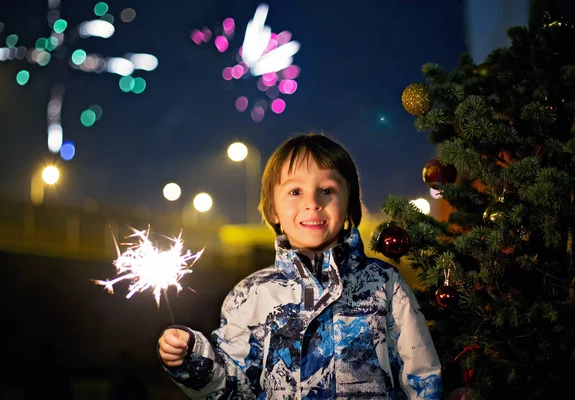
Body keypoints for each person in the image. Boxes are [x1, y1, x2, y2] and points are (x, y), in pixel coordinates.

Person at [158, 133, 442, 399]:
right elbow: (233, 387)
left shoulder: (384, 283)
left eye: (327, 190)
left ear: (349, 205)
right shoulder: (250, 294)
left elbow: (420, 373)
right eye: (295, 191)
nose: (312, 203)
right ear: (273, 210)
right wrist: (192, 358)